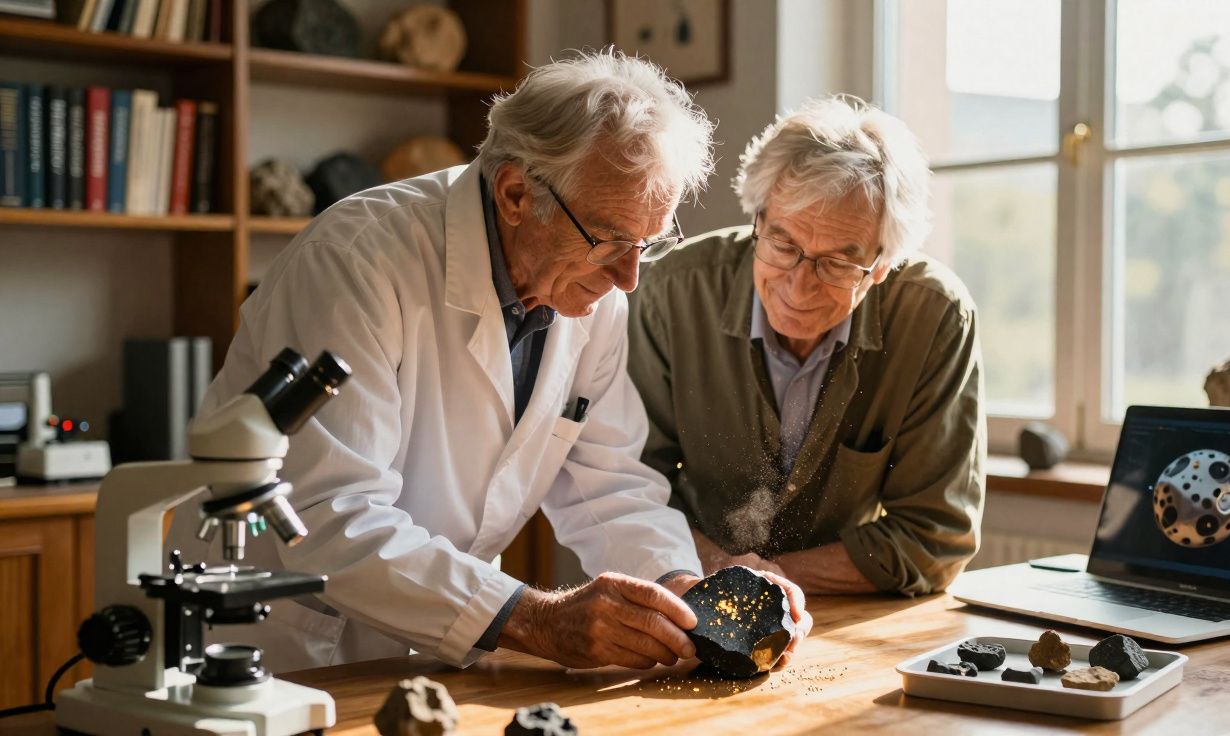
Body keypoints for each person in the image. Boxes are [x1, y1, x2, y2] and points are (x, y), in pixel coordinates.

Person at [168, 51, 810, 672]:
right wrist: (535, 618)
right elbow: (329, 511)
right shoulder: (357, 260)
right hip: (286, 643)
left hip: (437, 650)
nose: (629, 278)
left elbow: (610, 485)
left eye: (647, 243)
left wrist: (678, 599)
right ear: (513, 194)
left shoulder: (590, 293)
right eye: (610, 241)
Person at [628, 95, 985, 596]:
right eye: (783, 244)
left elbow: (936, 535)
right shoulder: (674, 293)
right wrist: (720, 571)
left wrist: (771, 579)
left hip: (850, 610)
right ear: (758, 219)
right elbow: (631, 487)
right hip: (691, 592)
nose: (798, 288)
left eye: (838, 263)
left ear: (882, 266)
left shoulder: (934, 317)